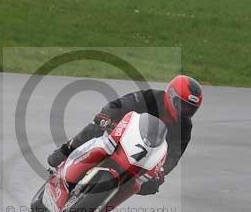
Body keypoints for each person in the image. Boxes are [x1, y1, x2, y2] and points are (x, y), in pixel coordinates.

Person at [47, 75, 203, 195]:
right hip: (120, 133)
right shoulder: (150, 98)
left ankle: (106, 198)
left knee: (149, 187)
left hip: (142, 156)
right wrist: (106, 117)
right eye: (182, 105)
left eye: (190, 109)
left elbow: (173, 156)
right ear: (170, 95)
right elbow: (119, 104)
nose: (185, 112)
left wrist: (161, 173)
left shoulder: (185, 127)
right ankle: (65, 151)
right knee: (94, 129)